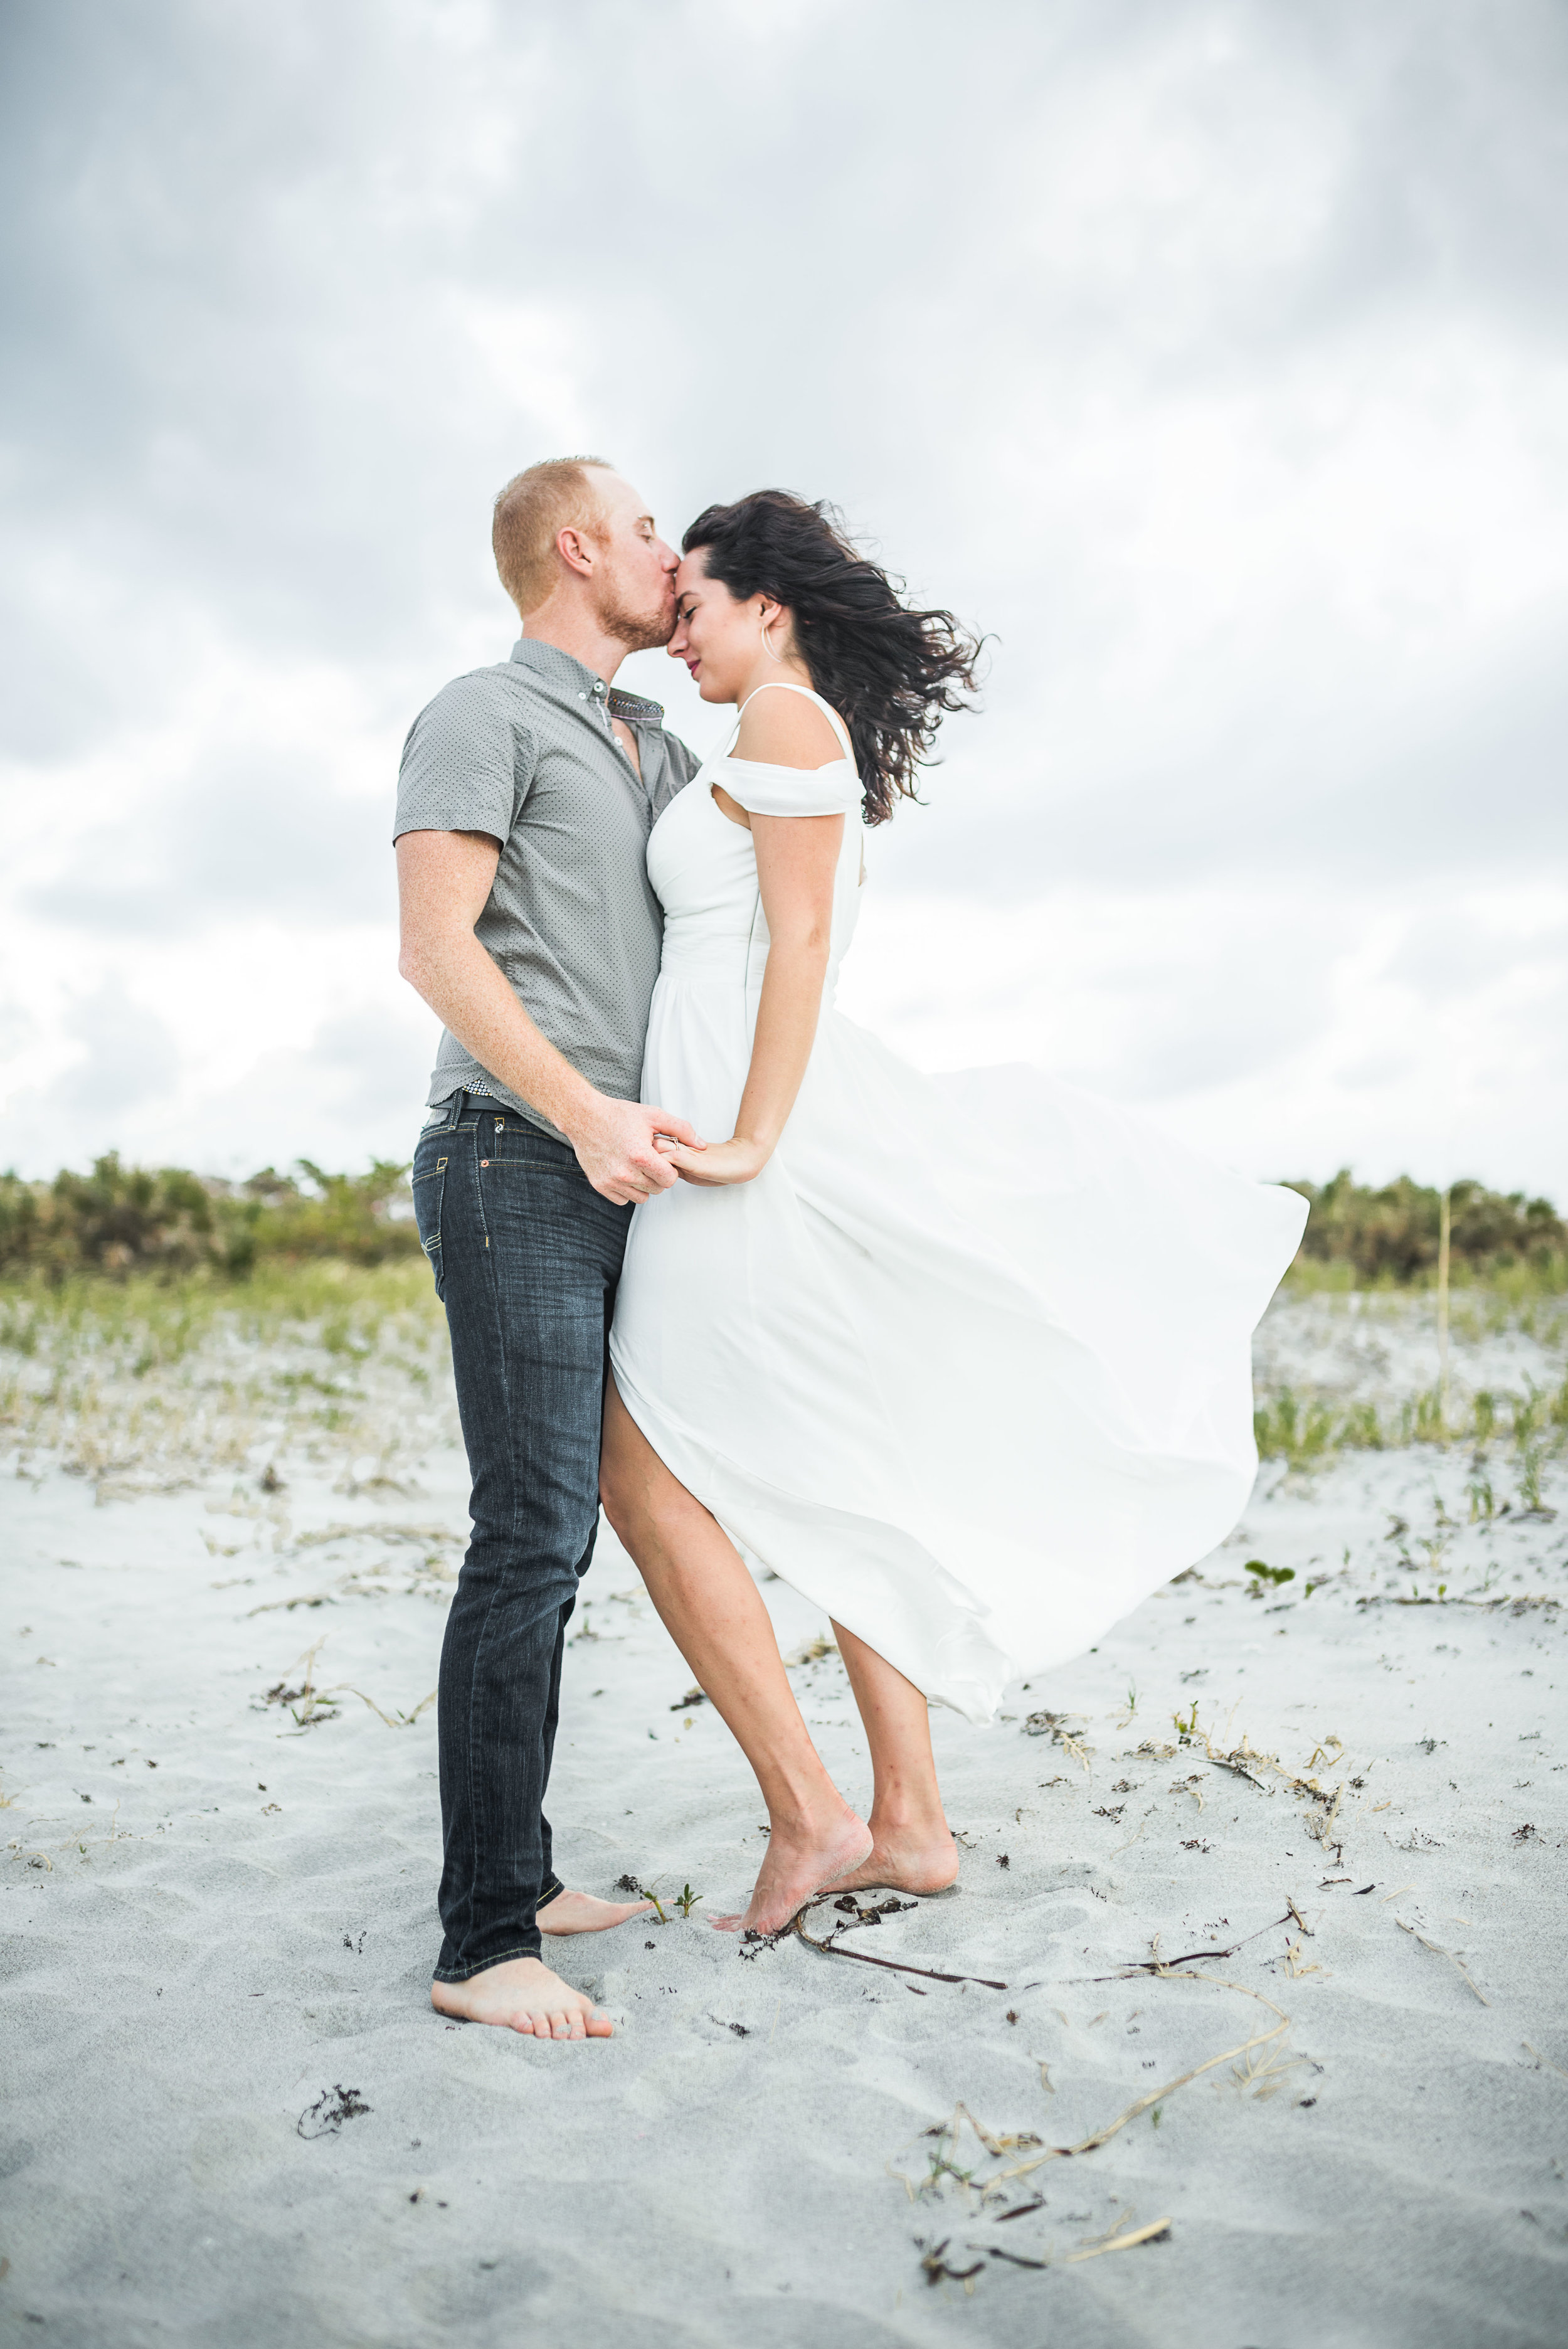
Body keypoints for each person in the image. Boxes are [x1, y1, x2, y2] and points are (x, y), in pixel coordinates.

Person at [600, 490, 1308, 1935]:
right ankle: (908, 1823)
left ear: (766, 606)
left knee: (643, 1458)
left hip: (754, 1140)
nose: (675, 635)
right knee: (831, 1460)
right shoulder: (762, 733)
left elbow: (798, 943)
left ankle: (834, 1816)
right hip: (741, 1122)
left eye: (693, 609)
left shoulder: (785, 723)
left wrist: (749, 1138)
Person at [395, 457, 708, 2039]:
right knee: (528, 1535)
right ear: (578, 546)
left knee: (574, 1532)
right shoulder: (481, 712)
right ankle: (482, 1939)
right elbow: (433, 948)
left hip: (618, 1171)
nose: (670, 546)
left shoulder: (651, 742)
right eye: (649, 526)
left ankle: (519, 1864)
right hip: (513, 1156)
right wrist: (586, 1109)